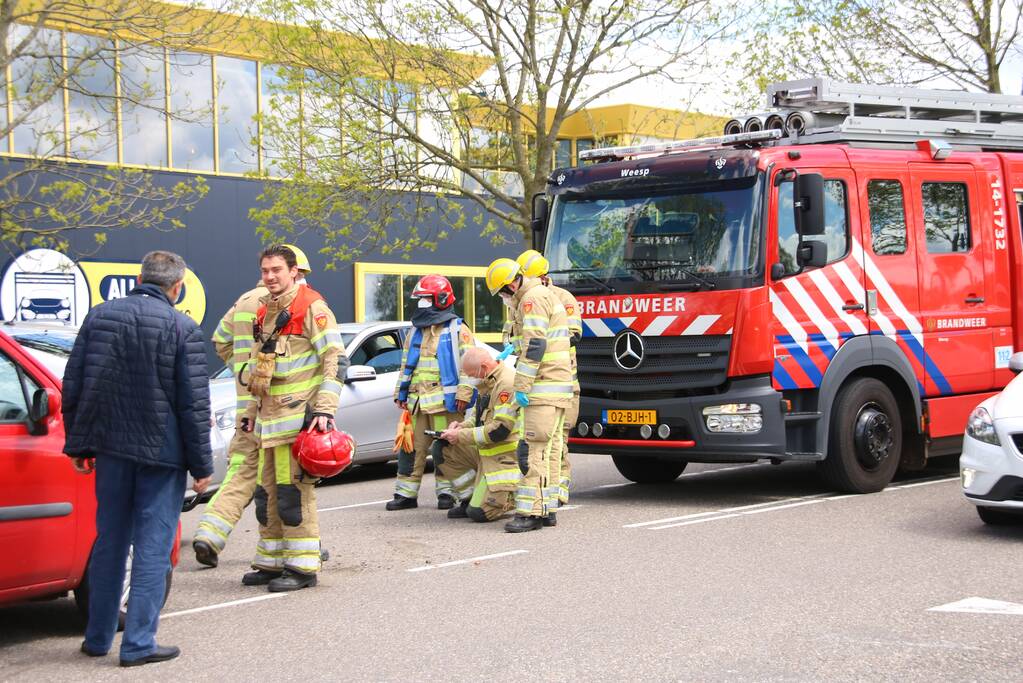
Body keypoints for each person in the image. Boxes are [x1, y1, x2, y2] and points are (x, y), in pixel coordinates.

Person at [63, 250, 212, 667]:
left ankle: (97, 638)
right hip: (162, 455)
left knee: (110, 540)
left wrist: (78, 444)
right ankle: (139, 644)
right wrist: (201, 466)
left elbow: (75, 381)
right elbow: (193, 405)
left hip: (111, 449)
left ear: (139, 279)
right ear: (177, 287)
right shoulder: (182, 328)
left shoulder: (99, 317)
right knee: (152, 546)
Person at [192, 244, 321, 568]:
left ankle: (212, 533)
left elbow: (220, 339)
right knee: (284, 483)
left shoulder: (245, 300)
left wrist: (240, 371)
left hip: (248, 403)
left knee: (248, 473)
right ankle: (300, 551)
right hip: (275, 407)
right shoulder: (284, 305)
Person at [242, 245, 345, 592]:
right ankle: (271, 562)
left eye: (277, 270)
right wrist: (250, 413)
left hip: (297, 421)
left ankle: (302, 567)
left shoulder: (312, 306)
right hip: (268, 424)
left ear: (294, 272)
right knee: (266, 495)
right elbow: (260, 371)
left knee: (293, 495)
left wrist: (325, 409)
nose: (270, 276)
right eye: (265, 270)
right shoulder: (264, 311)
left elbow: (335, 359)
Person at [485, 257, 574, 532]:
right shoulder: (543, 294)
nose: (503, 298)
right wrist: (513, 346)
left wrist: (521, 386)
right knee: (550, 450)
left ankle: (530, 513)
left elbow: (535, 345)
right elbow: (538, 339)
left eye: (502, 292)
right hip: (557, 387)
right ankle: (547, 509)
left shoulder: (531, 300)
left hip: (542, 387)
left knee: (532, 451)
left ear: (511, 285)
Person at [387, 274, 479, 512]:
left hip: (446, 404)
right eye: (420, 299)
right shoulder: (416, 330)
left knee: (445, 448)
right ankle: (405, 494)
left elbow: (470, 365)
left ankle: (447, 494)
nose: (421, 304)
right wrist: (401, 393)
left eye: (426, 299)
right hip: (418, 403)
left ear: (441, 299)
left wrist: (464, 394)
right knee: (410, 449)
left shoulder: (458, 329)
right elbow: (407, 364)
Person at [516, 249, 582, 508]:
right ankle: (549, 500)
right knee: (547, 442)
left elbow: (573, 335)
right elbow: (515, 334)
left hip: (554, 379)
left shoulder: (561, 298)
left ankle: (556, 492)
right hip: (537, 376)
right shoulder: (522, 300)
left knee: (554, 441)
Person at [440, 346, 521, 523]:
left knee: (478, 514)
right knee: (442, 447)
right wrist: (460, 427)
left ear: (483, 367)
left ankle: (510, 498)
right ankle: (469, 498)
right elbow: (478, 418)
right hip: (484, 452)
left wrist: (461, 436)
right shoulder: (487, 382)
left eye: (471, 375)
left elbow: (499, 431)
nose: (471, 379)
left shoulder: (506, 384)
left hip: (503, 458)